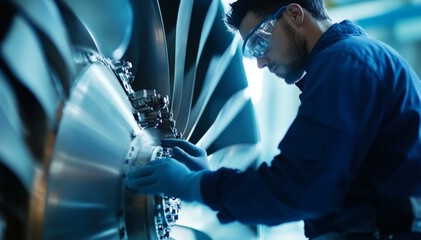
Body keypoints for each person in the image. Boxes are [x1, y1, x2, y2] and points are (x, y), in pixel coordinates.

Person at [126, 0, 421, 239]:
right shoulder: (355, 60)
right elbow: (321, 187)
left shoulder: (346, 63)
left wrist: (196, 186)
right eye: (251, 53)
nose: (261, 62)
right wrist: (209, 178)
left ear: (294, 14)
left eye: (259, 43)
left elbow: (299, 188)